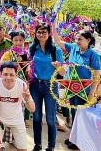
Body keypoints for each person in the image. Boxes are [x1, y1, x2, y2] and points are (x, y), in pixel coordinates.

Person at [52, 20, 100, 150]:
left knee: (81, 114)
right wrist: (53, 25)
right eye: (76, 38)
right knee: (74, 112)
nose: (77, 41)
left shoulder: (93, 55)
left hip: (84, 90)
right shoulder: (73, 48)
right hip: (70, 87)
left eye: (80, 39)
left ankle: (80, 141)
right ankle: (74, 138)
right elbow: (57, 41)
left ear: (89, 40)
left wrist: (92, 93)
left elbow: (96, 76)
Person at [29, 22, 63, 151]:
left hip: (51, 86)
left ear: (49, 34)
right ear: (35, 34)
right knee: (37, 117)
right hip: (35, 85)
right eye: (39, 32)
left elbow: (62, 72)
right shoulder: (32, 48)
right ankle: (37, 144)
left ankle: (51, 147)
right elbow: (29, 66)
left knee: (50, 119)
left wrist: (58, 67)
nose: (42, 34)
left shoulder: (55, 50)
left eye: (44, 32)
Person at [0, 61, 35, 151]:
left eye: (12, 75)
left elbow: (32, 109)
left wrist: (27, 99)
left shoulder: (22, 85)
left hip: (16, 119)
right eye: (5, 74)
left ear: (16, 75)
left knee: (23, 149)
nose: (8, 77)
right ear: (0, 74)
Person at [0, 30, 31, 127]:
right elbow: (1, 65)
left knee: (24, 98)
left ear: (24, 41)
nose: (18, 43)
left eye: (21, 40)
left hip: (23, 81)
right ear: (12, 41)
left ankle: (25, 118)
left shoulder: (27, 54)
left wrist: (29, 66)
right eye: (15, 40)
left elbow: (31, 64)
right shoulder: (8, 54)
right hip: (10, 82)